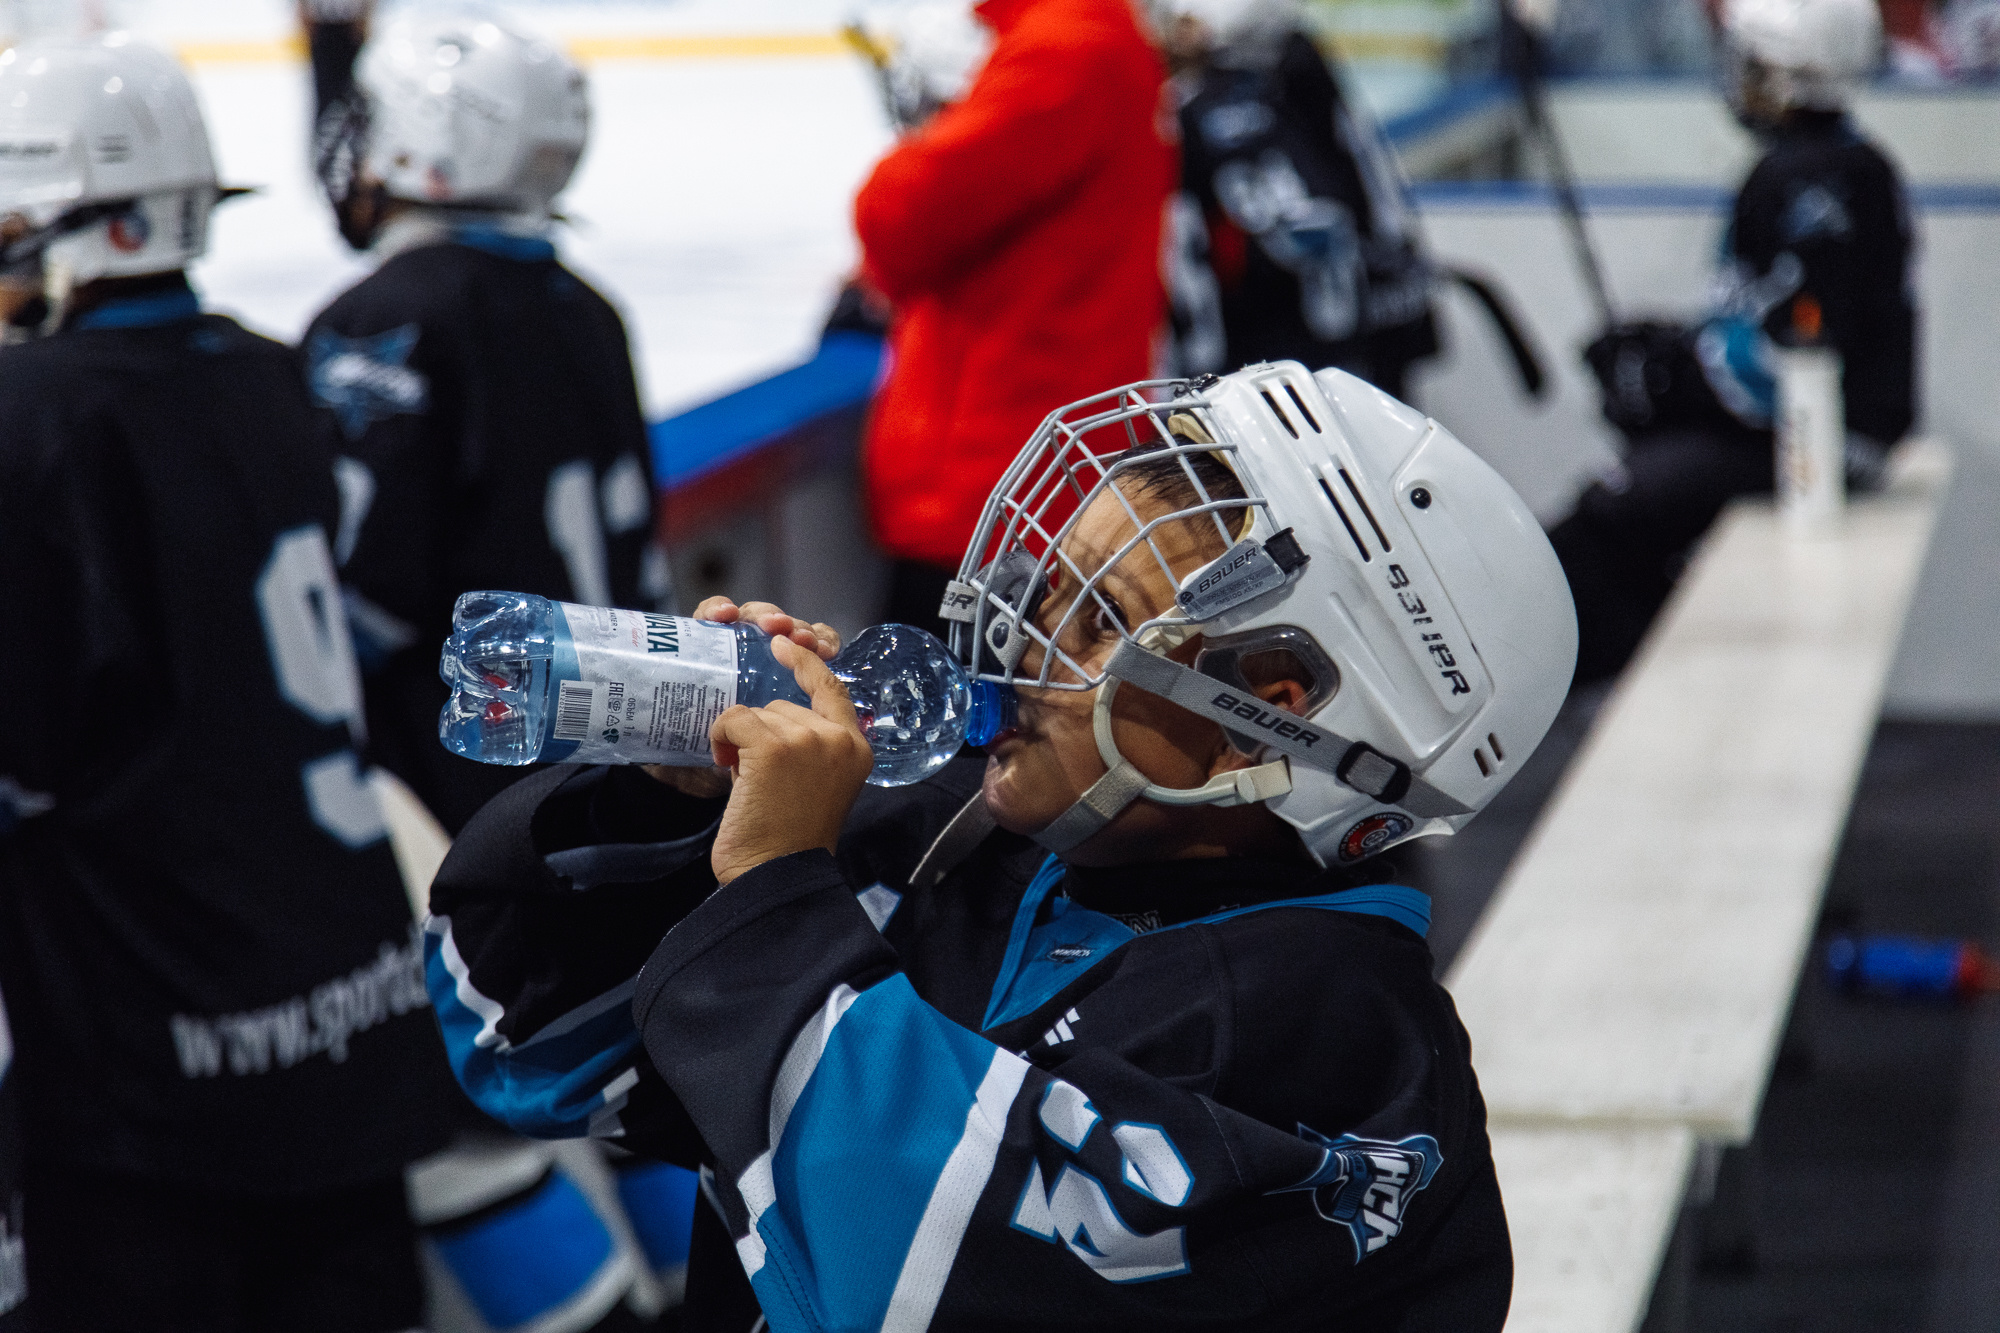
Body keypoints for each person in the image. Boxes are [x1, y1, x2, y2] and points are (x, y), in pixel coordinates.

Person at [421, 360, 1578, 1328]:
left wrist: (774, 897)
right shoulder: (954, 842)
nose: (1019, 640)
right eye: (1048, 587)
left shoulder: (1339, 1050)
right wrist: (668, 812)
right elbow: (512, 1042)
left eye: (1100, 618)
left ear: (1266, 715)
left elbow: (921, 1272)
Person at [0, 36, 447, 1331]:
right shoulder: (266, 369)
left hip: (157, 1064)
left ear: (74, 223)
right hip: (346, 1004)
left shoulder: (31, 417)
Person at [307, 10, 667, 836]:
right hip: (605, 771)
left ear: (423, 141)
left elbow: (367, 593)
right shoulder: (587, 307)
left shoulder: (385, 321)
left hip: (469, 789)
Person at [1550, 0, 1913, 684]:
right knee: (1635, 507)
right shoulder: (1843, 164)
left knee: (1603, 520)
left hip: (1820, 447)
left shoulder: (1809, 183)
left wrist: (1675, 376)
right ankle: (1647, 678)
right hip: (1806, 432)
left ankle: (1620, 687)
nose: (1736, 80)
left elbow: (1801, 354)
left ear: (1786, 75)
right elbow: (1767, 319)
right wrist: (1676, 353)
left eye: (1750, 65)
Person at [854, 0, 1176, 632]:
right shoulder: (1087, 36)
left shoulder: (1065, 48)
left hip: (1000, 485)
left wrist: (928, 135)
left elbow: (897, 215)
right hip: (1033, 473)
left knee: (951, 688)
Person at [1157, 0, 1440, 398]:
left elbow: (1371, 194)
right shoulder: (1187, 106)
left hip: (1309, 331)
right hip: (1261, 342)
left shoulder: (1292, 75)